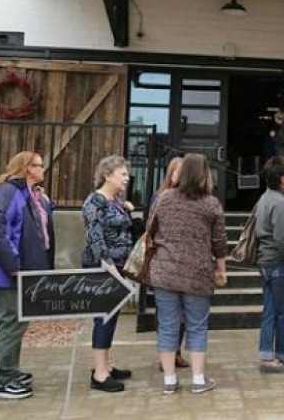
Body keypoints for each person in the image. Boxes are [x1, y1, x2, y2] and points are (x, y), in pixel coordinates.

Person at [0, 151, 55, 400]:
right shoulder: (6, 192)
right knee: (12, 319)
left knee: (12, 319)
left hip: (18, 268)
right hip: (5, 270)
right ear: (28, 168)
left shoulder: (27, 193)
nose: (43, 169)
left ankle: (7, 370)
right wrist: (12, 264)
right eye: (39, 165)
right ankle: (2, 379)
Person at [147, 153, 227, 394]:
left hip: (165, 271)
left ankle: (170, 380)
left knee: (167, 326)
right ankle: (198, 379)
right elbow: (219, 242)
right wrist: (221, 269)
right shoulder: (211, 204)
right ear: (204, 174)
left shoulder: (165, 198)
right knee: (197, 326)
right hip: (198, 273)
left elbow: (149, 228)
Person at [81, 155, 135, 392]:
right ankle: (100, 373)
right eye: (122, 174)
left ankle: (107, 364)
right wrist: (109, 266)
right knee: (104, 317)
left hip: (120, 265)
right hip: (104, 267)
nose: (127, 178)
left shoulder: (116, 201)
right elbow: (95, 237)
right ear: (107, 175)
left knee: (111, 317)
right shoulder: (95, 202)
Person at [256, 156, 284, 373]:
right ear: (283, 179)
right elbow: (283, 239)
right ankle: (283, 355)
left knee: (270, 309)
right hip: (279, 262)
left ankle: (267, 355)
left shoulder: (266, 198)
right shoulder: (282, 204)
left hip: (267, 260)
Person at [153, 157, 188, 370]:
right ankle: (166, 354)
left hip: (185, 264)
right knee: (167, 314)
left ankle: (176, 350)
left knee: (184, 313)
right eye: (177, 172)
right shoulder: (160, 197)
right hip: (165, 262)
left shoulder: (192, 200)